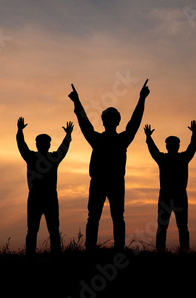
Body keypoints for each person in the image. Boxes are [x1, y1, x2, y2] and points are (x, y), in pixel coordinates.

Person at [68, 80, 150, 250]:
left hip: (104, 182)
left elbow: (85, 124)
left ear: (104, 121)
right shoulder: (120, 140)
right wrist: (141, 99)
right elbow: (134, 123)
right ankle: (115, 247)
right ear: (117, 122)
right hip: (111, 182)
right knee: (115, 217)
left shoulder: (99, 140)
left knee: (97, 217)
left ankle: (93, 247)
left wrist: (77, 102)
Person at [16, 117, 74, 258]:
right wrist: (68, 135)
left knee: (41, 231)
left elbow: (21, 145)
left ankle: (34, 257)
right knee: (45, 230)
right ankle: (53, 257)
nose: (43, 145)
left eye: (44, 143)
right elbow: (63, 149)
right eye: (42, 143)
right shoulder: (50, 158)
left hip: (41, 197)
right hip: (44, 198)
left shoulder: (33, 157)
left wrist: (19, 131)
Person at [144, 120, 196, 252]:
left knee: (164, 227)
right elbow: (193, 145)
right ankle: (183, 252)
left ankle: (161, 251)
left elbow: (153, 150)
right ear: (178, 146)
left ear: (167, 146)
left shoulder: (164, 159)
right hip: (178, 196)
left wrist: (149, 137)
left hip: (167, 196)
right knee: (182, 227)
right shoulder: (183, 158)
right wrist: (194, 133)